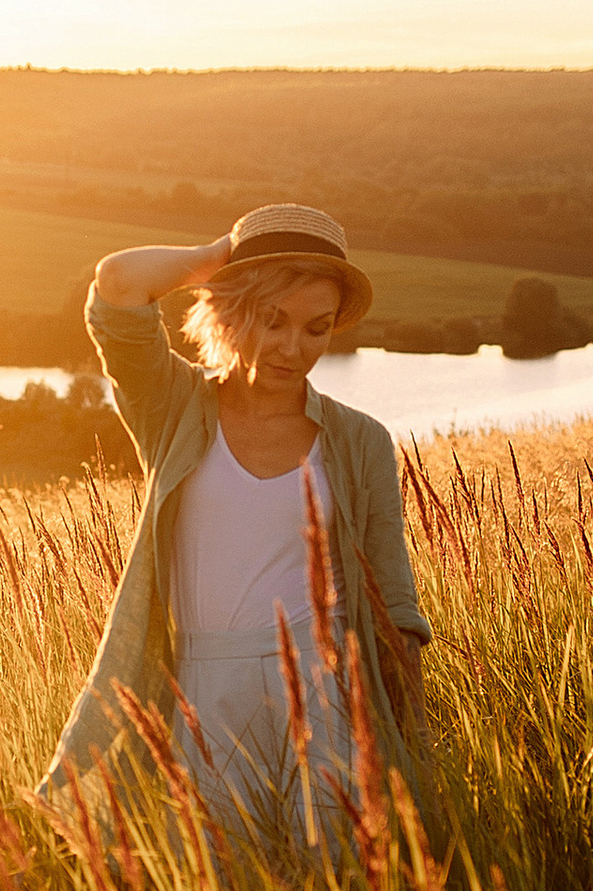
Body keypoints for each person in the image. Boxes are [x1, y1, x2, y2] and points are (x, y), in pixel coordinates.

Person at [39, 202, 431, 833]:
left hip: (327, 694)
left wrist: (414, 756)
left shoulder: (361, 441)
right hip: (201, 695)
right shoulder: (173, 405)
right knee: (221, 889)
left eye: (316, 328)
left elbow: (395, 608)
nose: (292, 347)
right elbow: (117, 285)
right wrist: (219, 259)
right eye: (270, 319)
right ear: (230, 312)